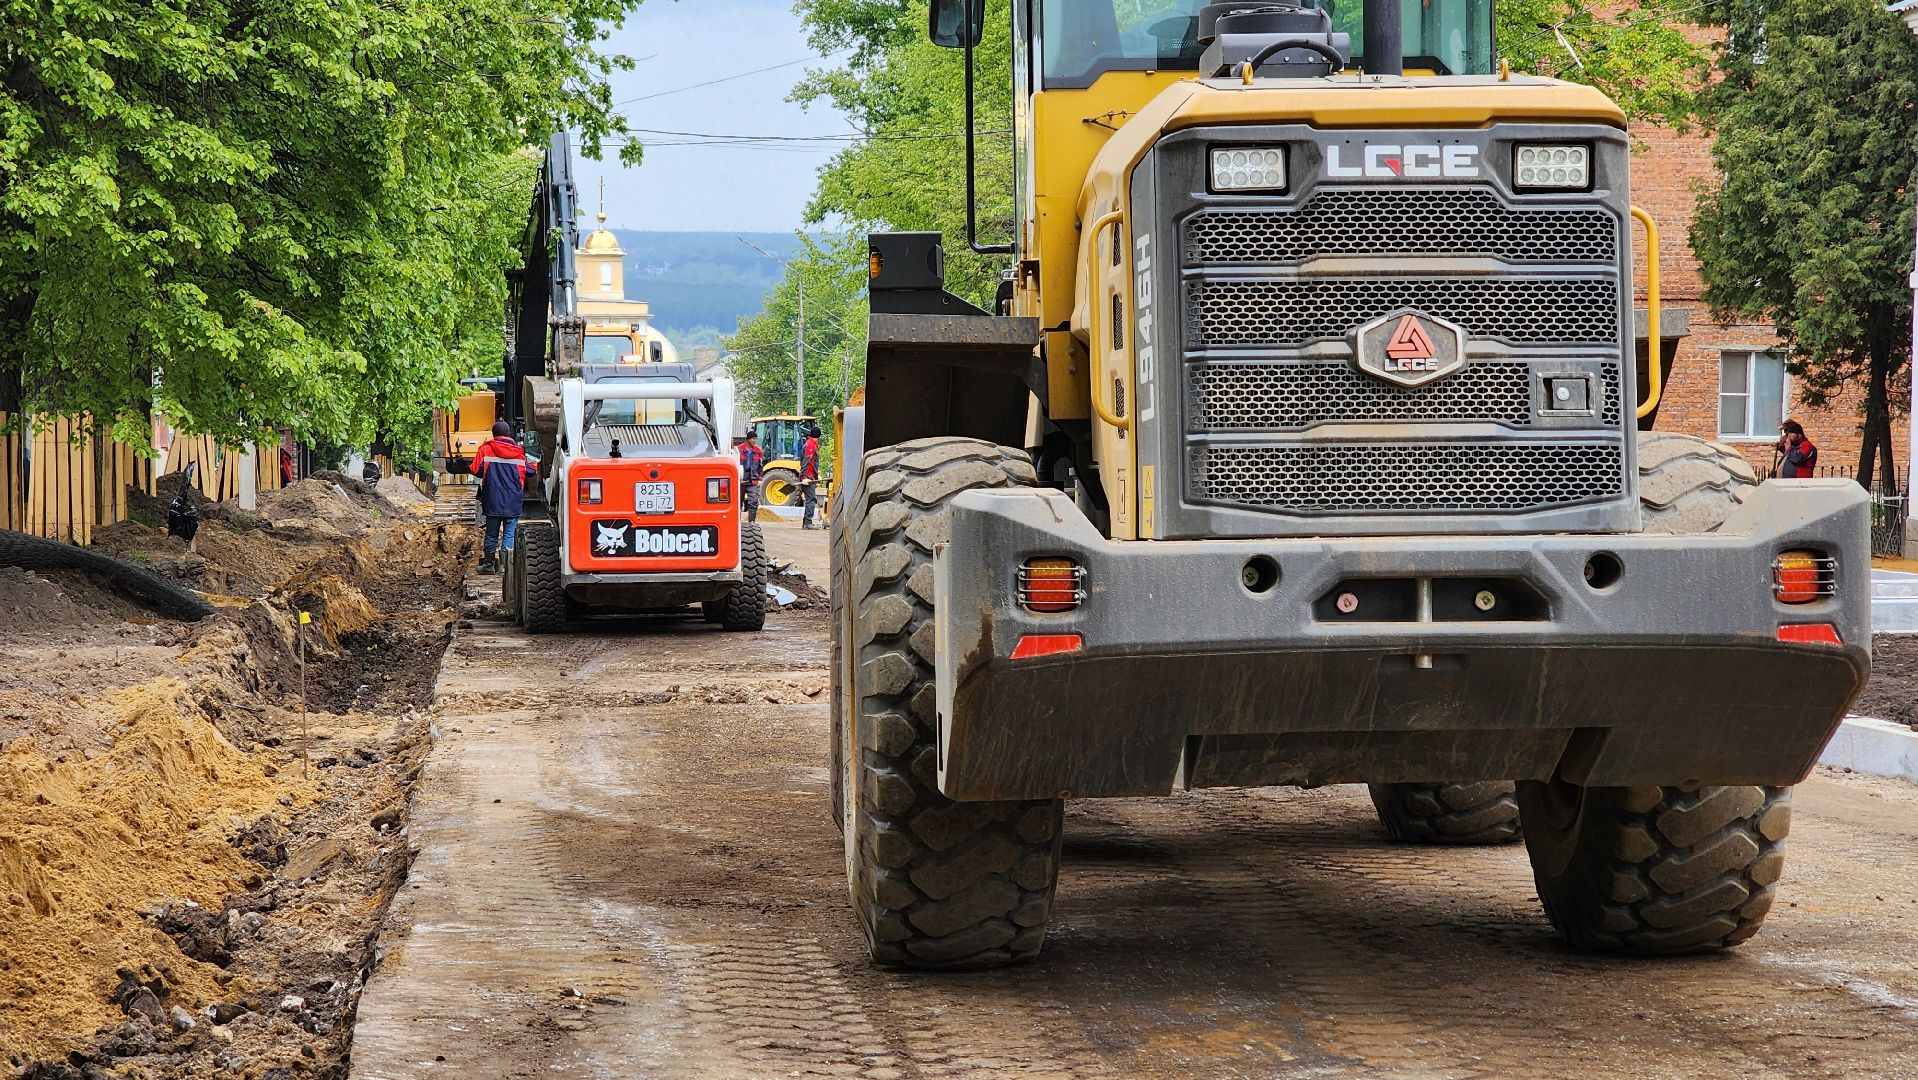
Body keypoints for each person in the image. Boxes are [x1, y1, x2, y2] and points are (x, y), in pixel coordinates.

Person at [474, 421, 529, 573]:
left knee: (491, 533)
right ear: (509, 434)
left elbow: (475, 469)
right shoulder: (519, 451)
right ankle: (507, 568)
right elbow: (531, 470)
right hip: (513, 500)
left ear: (494, 434)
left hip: (492, 499)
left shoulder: (485, 449)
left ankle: (489, 565)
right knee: (509, 533)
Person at [798, 422, 821, 530]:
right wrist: (803, 477)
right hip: (807, 476)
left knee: (811, 499)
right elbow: (806, 462)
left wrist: (817, 475)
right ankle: (808, 523)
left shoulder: (811, 443)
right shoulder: (811, 445)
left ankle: (806, 523)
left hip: (811, 476)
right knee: (811, 499)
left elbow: (813, 463)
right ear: (818, 436)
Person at [736, 431, 764, 517]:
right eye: (753, 438)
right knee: (738, 502)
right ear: (748, 439)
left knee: (753, 501)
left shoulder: (758, 450)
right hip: (740, 479)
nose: (754, 440)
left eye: (756, 439)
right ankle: (738, 522)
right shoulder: (738, 450)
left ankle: (752, 522)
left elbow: (760, 466)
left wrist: (760, 477)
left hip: (753, 479)